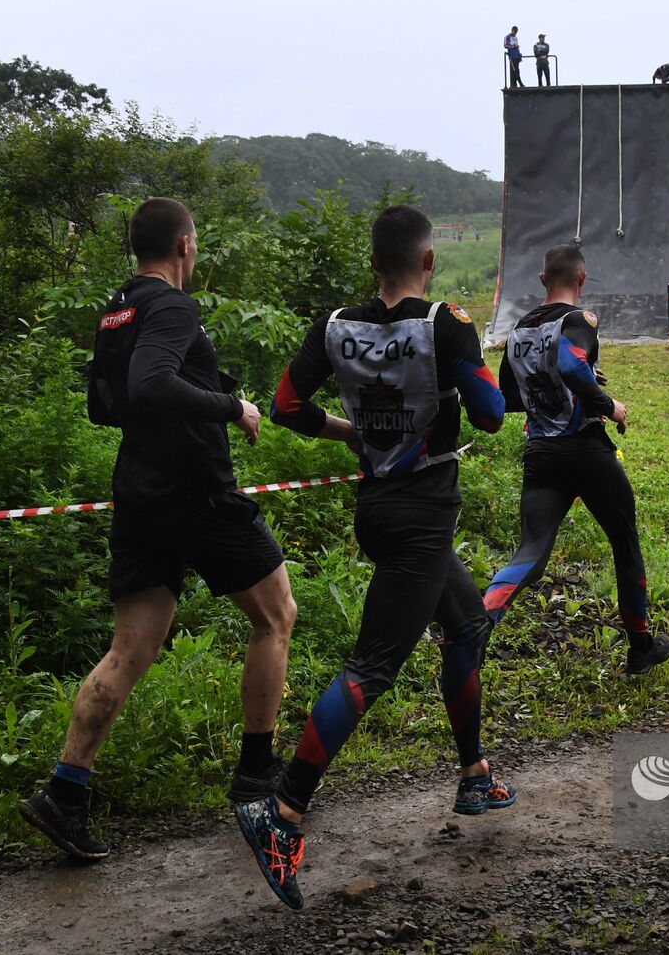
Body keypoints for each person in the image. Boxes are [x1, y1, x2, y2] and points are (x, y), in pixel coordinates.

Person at [236, 205, 512, 910]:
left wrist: (350, 432)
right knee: (373, 665)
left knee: (468, 624)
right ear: (427, 262)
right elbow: (489, 413)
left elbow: (288, 405)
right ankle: (285, 810)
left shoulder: (336, 326)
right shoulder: (444, 324)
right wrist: (465, 367)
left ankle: (474, 772)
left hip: (380, 509)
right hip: (420, 517)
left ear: (373, 263)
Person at [19, 198, 297, 861]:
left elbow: (103, 405)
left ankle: (65, 793)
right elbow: (148, 385)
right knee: (276, 615)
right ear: (184, 245)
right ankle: (258, 772)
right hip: (195, 490)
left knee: (129, 650)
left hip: (139, 494)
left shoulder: (118, 308)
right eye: (195, 241)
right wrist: (232, 405)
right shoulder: (172, 305)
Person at [484, 245, 669, 678]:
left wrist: (575, 381)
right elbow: (570, 366)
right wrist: (610, 405)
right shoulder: (579, 320)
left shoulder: (519, 329)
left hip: (541, 454)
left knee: (530, 552)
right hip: (587, 450)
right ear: (583, 278)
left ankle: (481, 619)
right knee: (624, 542)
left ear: (541, 279)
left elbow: (510, 398)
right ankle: (641, 647)